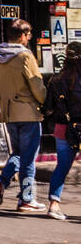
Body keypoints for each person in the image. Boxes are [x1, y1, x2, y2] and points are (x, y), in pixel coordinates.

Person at [0, 19, 48, 213]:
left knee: (19, 153)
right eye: (28, 34)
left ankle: (1, 181)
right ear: (22, 36)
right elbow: (37, 85)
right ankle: (27, 199)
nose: (29, 38)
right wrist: (46, 102)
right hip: (29, 112)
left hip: (9, 112)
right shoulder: (25, 56)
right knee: (28, 158)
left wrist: (5, 103)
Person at [42, 41, 81, 220]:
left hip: (62, 128)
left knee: (62, 166)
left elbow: (47, 108)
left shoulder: (56, 79)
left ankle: (54, 204)